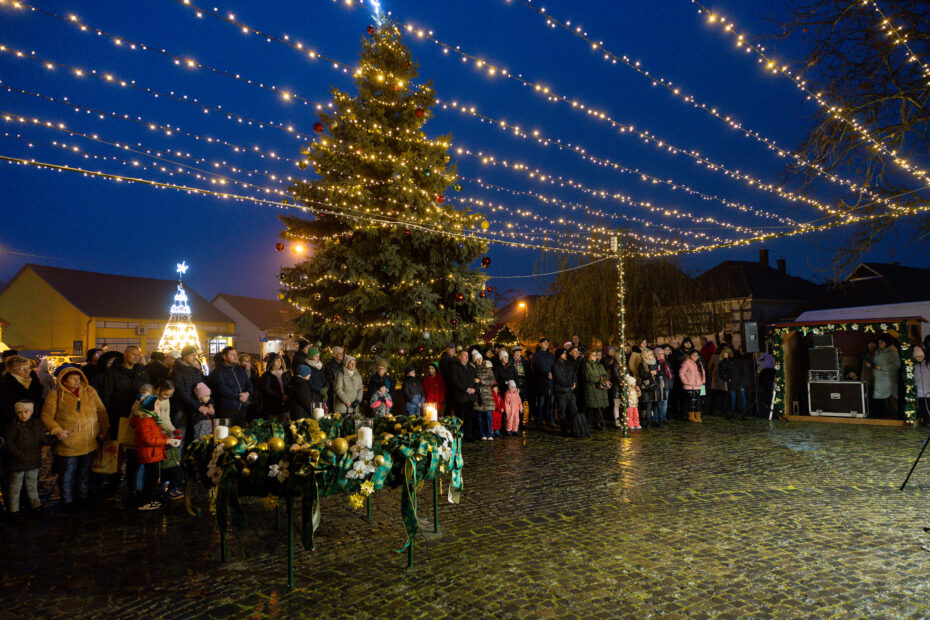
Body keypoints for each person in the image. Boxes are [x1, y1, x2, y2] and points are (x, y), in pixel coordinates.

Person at [41, 367, 109, 507]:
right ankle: (67, 500)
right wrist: (57, 430)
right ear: (64, 381)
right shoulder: (55, 395)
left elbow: (101, 410)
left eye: (78, 378)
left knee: (85, 471)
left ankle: (83, 496)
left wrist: (104, 429)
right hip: (68, 442)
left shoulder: (90, 391)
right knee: (67, 473)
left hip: (89, 441)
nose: (77, 381)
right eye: (73, 378)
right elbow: (46, 416)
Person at [97, 347, 150, 494]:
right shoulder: (113, 372)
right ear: (125, 354)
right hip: (118, 416)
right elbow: (106, 395)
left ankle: (133, 482)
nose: (136, 357)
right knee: (116, 450)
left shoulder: (141, 371)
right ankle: (113, 482)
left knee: (134, 450)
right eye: (134, 354)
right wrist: (107, 418)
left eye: (138, 355)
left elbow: (148, 389)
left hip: (136, 416)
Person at [3, 401, 54, 517]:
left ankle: (36, 505)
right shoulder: (13, 426)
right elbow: (9, 443)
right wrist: (18, 455)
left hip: (32, 461)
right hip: (18, 462)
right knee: (15, 487)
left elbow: (43, 439)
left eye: (26, 412)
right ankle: (14, 510)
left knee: (32, 485)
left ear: (31, 412)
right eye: (20, 412)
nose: (23, 415)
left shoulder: (35, 425)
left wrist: (56, 437)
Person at [130, 390, 179, 511]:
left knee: (152, 478)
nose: (159, 407)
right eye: (157, 404)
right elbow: (149, 440)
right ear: (150, 407)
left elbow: (156, 435)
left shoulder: (151, 419)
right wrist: (165, 441)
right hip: (149, 454)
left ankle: (147, 498)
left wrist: (168, 438)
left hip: (153, 454)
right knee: (152, 479)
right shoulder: (145, 421)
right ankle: (145, 502)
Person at [170, 346, 208, 444]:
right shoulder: (177, 372)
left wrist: (210, 403)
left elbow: (203, 388)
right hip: (181, 409)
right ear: (184, 356)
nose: (194, 357)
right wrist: (198, 406)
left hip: (195, 409)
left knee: (194, 438)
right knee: (179, 438)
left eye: (195, 355)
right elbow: (181, 393)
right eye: (192, 355)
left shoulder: (196, 371)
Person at [552, 347, 589, 438]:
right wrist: (569, 384)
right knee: (562, 411)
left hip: (570, 391)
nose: (565, 355)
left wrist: (573, 383)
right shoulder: (555, 365)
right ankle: (564, 429)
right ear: (559, 355)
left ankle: (575, 429)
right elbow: (559, 378)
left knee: (574, 409)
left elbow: (573, 374)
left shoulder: (567, 364)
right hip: (562, 391)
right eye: (564, 353)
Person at [211, 346, 252, 427]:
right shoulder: (218, 372)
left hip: (241, 409)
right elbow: (222, 389)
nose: (236, 357)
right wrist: (240, 397)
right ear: (224, 356)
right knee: (225, 433)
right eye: (232, 355)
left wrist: (247, 393)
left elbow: (249, 384)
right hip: (226, 409)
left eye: (236, 355)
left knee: (240, 432)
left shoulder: (239, 369)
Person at [0, 355, 44, 429]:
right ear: (12, 371)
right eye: (22, 369)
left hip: (34, 426)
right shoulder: (5, 386)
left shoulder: (35, 383)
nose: (27, 371)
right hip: (13, 428)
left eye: (28, 368)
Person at [448, 350, 478, 441]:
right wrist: (466, 389)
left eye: (467, 355)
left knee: (469, 418)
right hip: (460, 398)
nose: (467, 357)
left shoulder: (471, 368)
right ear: (459, 357)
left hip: (470, 398)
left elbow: (476, 380)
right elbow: (454, 381)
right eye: (464, 355)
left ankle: (469, 436)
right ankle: (459, 437)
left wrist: (475, 389)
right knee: (460, 419)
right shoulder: (454, 367)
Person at [868, 335, 901, 418]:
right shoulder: (878, 351)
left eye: (882, 342)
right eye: (879, 342)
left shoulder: (892, 352)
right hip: (879, 379)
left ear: (887, 342)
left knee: (890, 398)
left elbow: (896, 365)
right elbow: (877, 363)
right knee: (883, 400)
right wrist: (871, 365)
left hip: (888, 379)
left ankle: (893, 418)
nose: (880, 344)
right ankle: (886, 417)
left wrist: (882, 368)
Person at [582, 349, 609, 431]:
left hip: (600, 389)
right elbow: (590, 376)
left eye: (596, 355)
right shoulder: (586, 365)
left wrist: (603, 379)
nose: (595, 357)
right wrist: (600, 378)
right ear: (588, 356)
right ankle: (589, 424)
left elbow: (605, 374)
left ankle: (598, 423)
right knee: (591, 407)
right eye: (593, 355)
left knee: (599, 407)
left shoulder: (599, 365)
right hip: (591, 389)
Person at [260, 354, 293, 420]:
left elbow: (289, 385)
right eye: (276, 361)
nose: (279, 362)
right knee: (274, 424)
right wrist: (280, 396)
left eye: (280, 360)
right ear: (271, 362)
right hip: (273, 406)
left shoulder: (285, 374)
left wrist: (288, 395)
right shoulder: (267, 375)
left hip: (286, 405)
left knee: (286, 423)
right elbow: (266, 389)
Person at [473, 351, 496, 441]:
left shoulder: (488, 368)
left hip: (487, 395)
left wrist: (481, 381)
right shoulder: (473, 369)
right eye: (477, 359)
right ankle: (482, 434)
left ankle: (489, 433)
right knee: (479, 416)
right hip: (478, 395)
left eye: (480, 358)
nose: (479, 360)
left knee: (488, 415)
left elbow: (492, 380)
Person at [532, 338, 555, 427]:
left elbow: (553, 366)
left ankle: (550, 420)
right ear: (540, 344)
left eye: (547, 343)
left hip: (550, 382)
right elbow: (536, 367)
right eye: (544, 342)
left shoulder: (550, 355)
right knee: (541, 402)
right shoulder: (536, 355)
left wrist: (552, 373)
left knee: (550, 403)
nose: (546, 344)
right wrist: (546, 373)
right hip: (541, 382)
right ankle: (539, 420)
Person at [718, 347, 746, 419]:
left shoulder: (735, 361)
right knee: (733, 397)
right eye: (725, 353)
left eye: (727, 353)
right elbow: (721, 374)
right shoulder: (723, 363)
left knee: (740, 397)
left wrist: (741, 381)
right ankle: (733, 413)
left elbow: (741, 371)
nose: (726, 354)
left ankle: (742, 413)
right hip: (733, 382)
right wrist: (727, 379)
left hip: (738, 381)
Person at [679, 350, 706, 423]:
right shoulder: (686, 363)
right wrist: (686, 382)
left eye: (697, 355)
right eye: (694, 355)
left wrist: (703, 381)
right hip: (690, 386)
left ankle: (698, 416)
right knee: (691, 402)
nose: (695, 357)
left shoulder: (699, 363)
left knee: (699, 402)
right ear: (690, 356)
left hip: (699, 385)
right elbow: (681, 373)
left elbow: (703, 373)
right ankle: (691, 417)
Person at [637, 348, 660, 428]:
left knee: (658, 404)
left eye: (652, 354)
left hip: (656, 386)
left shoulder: (656, 362)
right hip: (648, 387)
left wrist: (656, 373)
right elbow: (642, 375)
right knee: (649, 404)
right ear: (646, 356)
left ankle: (659, 421)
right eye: (650, 354)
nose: (652, 356)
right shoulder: (642, 364)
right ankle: (648, 422)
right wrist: (650, 373)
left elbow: (661, 372)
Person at [511, 346, 532, 429]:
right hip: (514, 385)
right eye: (516, 352)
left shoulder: (523, 361)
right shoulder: (511, 361)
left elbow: (528, 373)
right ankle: (513, 423)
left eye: (519, 352)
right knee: (514, 405)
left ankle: (520, 423)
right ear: (513, 353)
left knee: (521, 404)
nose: (518, 354)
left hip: (523, 385)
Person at [654, 347, 673, 426]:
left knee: (665, 402)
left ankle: (663, 417)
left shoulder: (666, 362)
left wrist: (671, 382)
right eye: (661, 353)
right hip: (659, 384)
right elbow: (657, 373)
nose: (663, 354)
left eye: (663, 353)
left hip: (667, 384)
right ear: (657, 355)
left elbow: (670, 372)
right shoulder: (655, 363)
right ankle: (656, 418)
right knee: (659, 402)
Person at [322, 345, 345, 411]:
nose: (341, 355)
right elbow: (328, 380)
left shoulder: (344, 365)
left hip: (343, 391)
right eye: (339, 353)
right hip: (333, 392)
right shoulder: (328, 365)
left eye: (342, 353)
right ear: (334, 355)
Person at [438, 343, 458, 418]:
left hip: (456, 387)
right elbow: (446, 374)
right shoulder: (444, 360)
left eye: (454, 348)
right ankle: (446, 421)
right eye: (451, 348)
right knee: (449, 407)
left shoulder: (455, 359)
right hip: (449, 387)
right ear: (447, 349)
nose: (454, 350)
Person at [914, 346, 930, 424]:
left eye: (921, 356)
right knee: (921, 406)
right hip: (919, 391)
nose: (920, 358)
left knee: (928, 406)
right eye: (917, 356)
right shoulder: (913, 366)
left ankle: (927, 420)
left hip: (928, 390)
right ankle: (922, 420)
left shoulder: (927, 365)